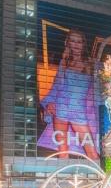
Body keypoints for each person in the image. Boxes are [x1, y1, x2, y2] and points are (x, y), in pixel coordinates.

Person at [41, 29, 99, 160]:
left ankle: (102, 178)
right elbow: (57, 86)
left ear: (83, 44)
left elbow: (99, 88)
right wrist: (49, 103)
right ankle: (65, 179)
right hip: (61, 108)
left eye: (79, 41)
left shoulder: (91, 63)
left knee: (92, 152)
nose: (76, 44)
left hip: (78, 111)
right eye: (73, 41)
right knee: (62, 151)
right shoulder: (64, 62)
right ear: (68, 43)